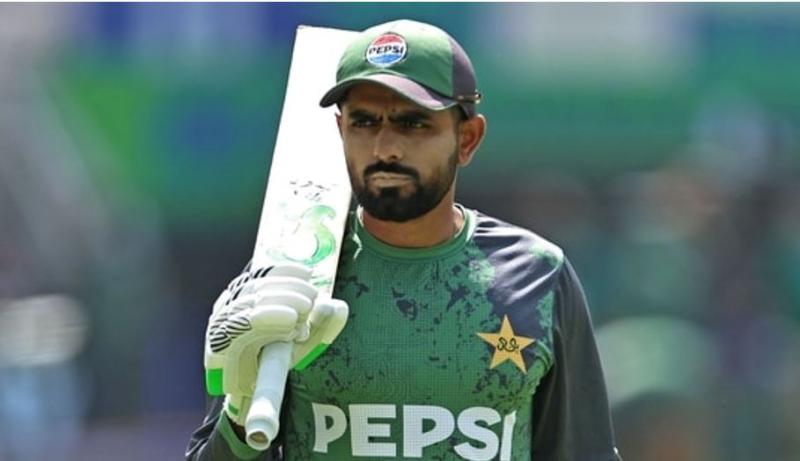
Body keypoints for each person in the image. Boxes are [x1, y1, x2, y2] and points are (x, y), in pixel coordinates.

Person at [186, 19, 621, 461]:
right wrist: (240, 410)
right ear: (340, 131)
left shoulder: (537, 277)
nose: (385, 148)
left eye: (413, 124)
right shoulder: (291, 273)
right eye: (364, 122)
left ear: (467, 139)